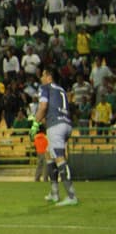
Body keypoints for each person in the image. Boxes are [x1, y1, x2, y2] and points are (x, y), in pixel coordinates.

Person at [34, 68, 78, 205]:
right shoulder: (62, 90)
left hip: (56, 126)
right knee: (48, 153)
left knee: (59, 157)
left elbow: (43, 106)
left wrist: (35, 123)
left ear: (48, 76)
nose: (41, 78)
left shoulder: (45, 87)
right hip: (66, 124)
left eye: (42, 75)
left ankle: (71, 196)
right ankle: (54, 193)